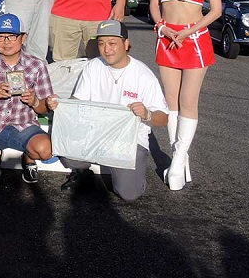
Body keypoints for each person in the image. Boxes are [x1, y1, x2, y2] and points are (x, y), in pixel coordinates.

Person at [48, 20, 169, 202]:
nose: (106, 49)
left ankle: (129, 174)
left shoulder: (143, 75)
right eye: (101, 43)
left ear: (126, 44)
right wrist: (61, 104)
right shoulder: (94, 66)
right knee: (64, 146)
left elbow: (164, 118)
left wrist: (147, 114)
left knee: (128, 194)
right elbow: (78, 101)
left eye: (112, 43)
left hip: (129, 141)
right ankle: (84, 171)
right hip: (95, 133)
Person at [149, 0, 222, 191]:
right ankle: (178, 156)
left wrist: (189, 31)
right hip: (167, 39)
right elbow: (155, 6)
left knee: (188, 100)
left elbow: (216, 10)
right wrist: (162, 27)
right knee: (171, 101)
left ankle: (178, 161)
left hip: (194, 39)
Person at [0, 13, 54, 184]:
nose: (6, 42)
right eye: (0, 37)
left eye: (12, 36)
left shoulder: (37, 65)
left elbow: (45, 108)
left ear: (23, 38)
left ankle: (28, 157)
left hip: (25, 124)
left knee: (46, 151)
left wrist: (35, 101)